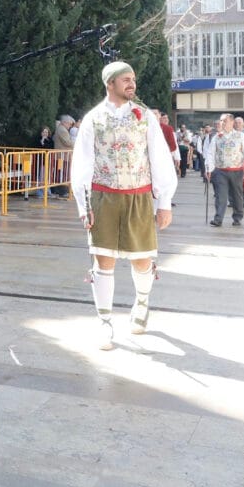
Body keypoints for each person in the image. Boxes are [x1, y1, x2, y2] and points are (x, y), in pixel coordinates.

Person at [70, 61, 177, 351]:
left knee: (141, 260)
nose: (132, 84)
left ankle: (141, 303)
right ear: (110, 83)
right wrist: (83, 204)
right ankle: (104, 322)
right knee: (103, 261)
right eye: (126, 79)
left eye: (133, 79)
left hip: (138, 197)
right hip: (103, 197)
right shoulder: (93, 119)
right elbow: (82, 163)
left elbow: (159, 157)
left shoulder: (144, 116)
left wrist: (164, 202)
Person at [205, 114, 244, 228]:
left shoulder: (241, 136)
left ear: (232, 122)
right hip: (220, 171)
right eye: (221, 121)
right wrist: (209, 168)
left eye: (224, 121)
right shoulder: (217, 137)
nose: (222, 123)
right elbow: (211, 153)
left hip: (236, 171)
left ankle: (237, 217)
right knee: (220, 196)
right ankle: (218, 219)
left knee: (237, 195)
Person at [51, 115, 75, 196]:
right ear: (65, 122)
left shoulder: (61, 129)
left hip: (63, 156)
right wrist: (76, 144)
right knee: (62, 174)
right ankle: (62, 191)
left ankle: (61, 190)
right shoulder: (62, 130)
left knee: (62, 173)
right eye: (70, 124)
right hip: (62, 156)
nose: (70, 126)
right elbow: (67, 142)